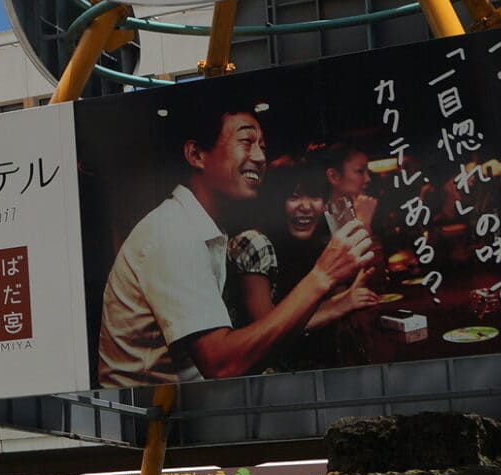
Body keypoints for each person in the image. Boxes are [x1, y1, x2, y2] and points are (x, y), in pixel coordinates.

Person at [96, 95, 375, 388]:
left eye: (263, 147)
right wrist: (323, 275)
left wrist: (339, 299)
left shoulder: (204, 227)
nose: (260, 157)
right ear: (196, 155)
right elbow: (221, 364)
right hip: (152, 423)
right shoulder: (172, 234)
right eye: (246, 142)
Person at [226, 162, 380, 370]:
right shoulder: (254, 243)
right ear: (275, 202)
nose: (306, 206)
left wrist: (346, 295)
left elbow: (302, 310)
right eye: (294, 196)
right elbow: (268, 332)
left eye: (314, 196)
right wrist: (341, 304)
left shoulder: (310, 244)